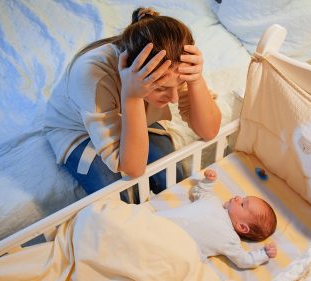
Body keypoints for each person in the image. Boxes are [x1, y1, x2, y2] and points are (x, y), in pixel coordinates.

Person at [44, 7, 221, 201]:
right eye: (161, 89)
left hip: (137, 114)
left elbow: (209, 131)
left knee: (174, 178)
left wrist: (195, 80)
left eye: (179, 85)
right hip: (77, 130)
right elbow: (134, 169)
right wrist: (131, 96)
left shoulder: (170, 64)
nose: (174, 99)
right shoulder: (91, 75)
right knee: (125, 197)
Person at [156, 169, 278, 269]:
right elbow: (198, 191)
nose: (238, 197)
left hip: (175, 251)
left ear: (242, 226)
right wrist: (208, 181)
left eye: (242, 204)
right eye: (243, 197)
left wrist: (264, 254)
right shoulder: (213, 201)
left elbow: (244, 260)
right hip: (160, 224)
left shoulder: (230, 239)